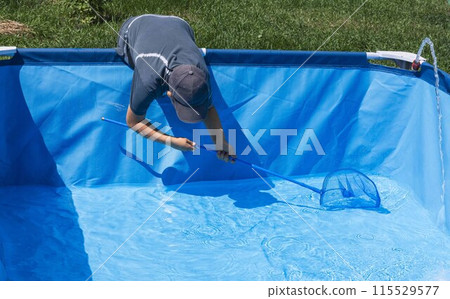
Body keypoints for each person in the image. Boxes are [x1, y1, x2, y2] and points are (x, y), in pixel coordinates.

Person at [116, 14, 235, 162]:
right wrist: (170, 141)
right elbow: (133, 121)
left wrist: (220, 142)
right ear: (169, 94)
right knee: (130, 56)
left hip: (180, 23)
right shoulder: (148, 79)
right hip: (134, 26)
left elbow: (209, 108)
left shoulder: (200, 76)